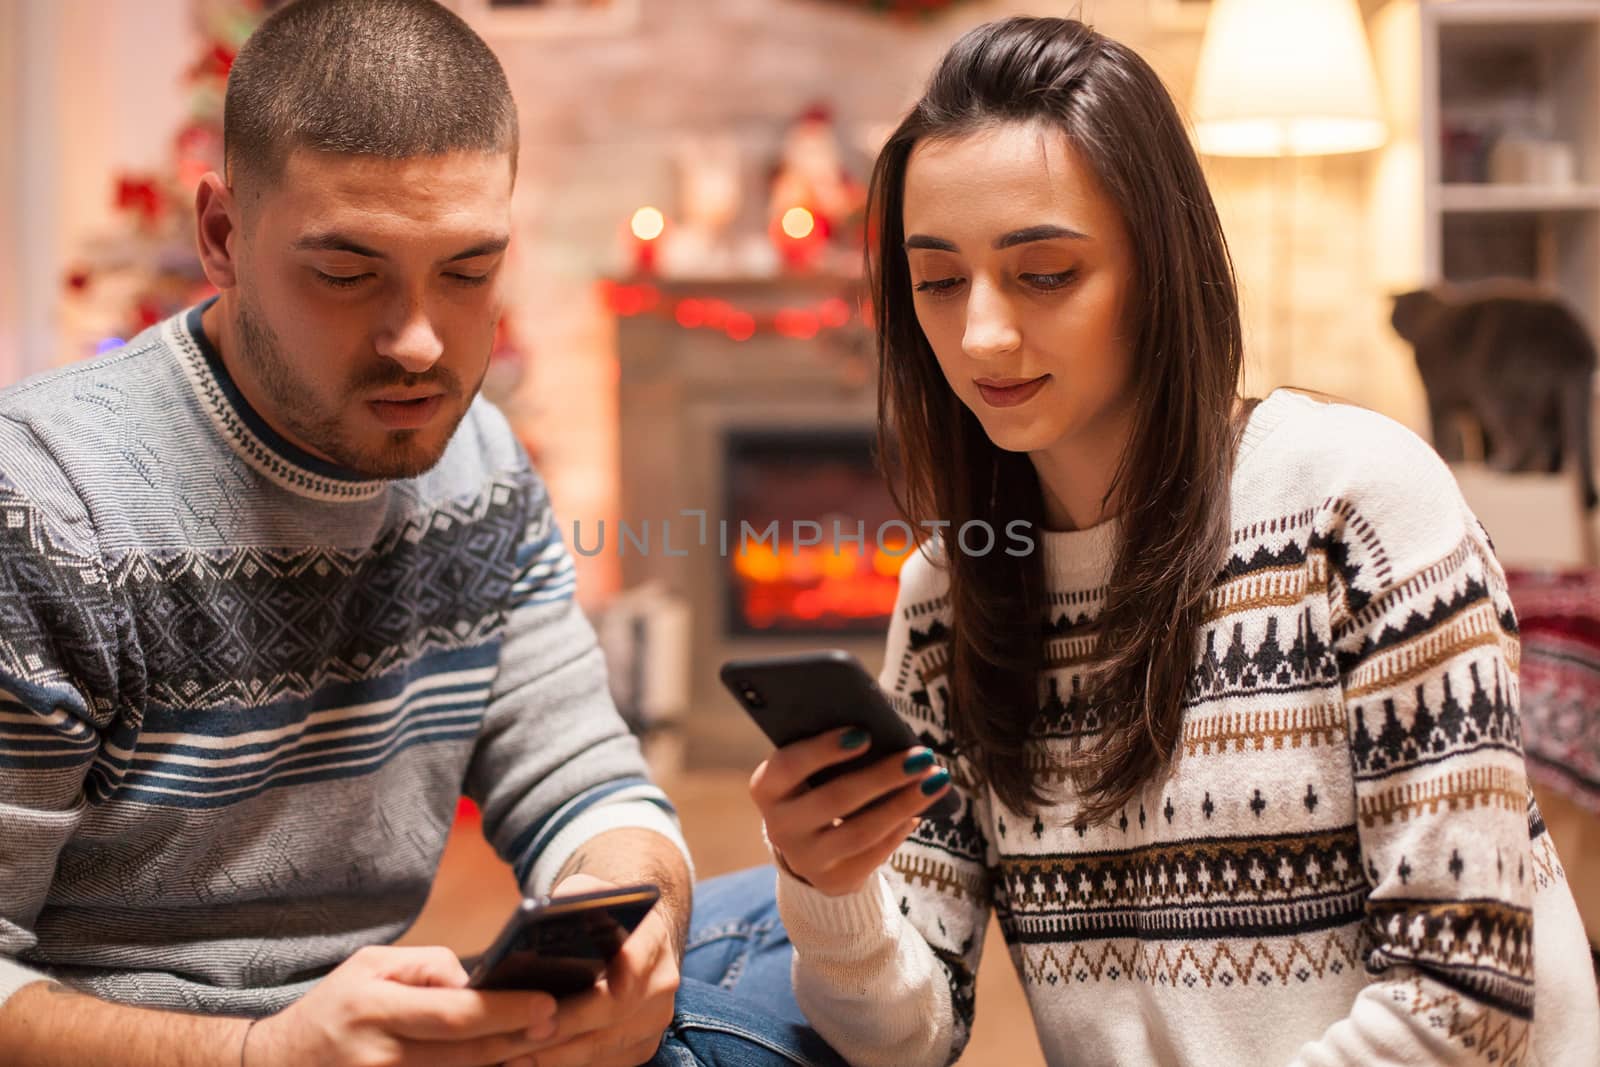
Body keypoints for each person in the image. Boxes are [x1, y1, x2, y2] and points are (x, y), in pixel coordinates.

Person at [748, 16, 1600, 1067]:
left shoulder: (1357, 509)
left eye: (1046, 273)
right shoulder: (950, 601)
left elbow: (1461, 1001)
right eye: (938, 281)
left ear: (1160, 266)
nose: (980, 336)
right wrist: (828, 891)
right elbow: (907, 1038)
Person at [0, 2, 840, 1065]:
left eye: (466, 270)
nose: (417, 341)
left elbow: (586, 779)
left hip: (387, 1032)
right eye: (346, 274)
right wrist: (260, 1054)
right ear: (220, 235)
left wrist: (623, 931)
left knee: (808, 937)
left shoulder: (479, 463)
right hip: (163, 1047)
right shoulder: (45, 500)